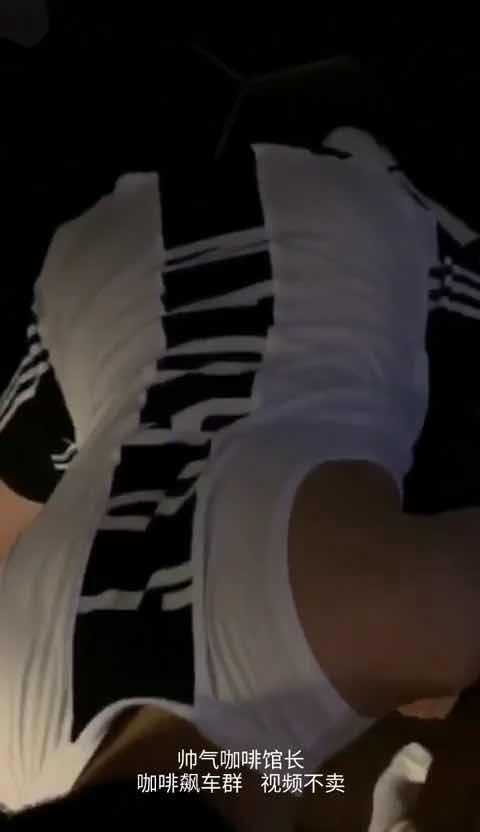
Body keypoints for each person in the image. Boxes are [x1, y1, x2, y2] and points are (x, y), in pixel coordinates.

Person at [1, 124, 480, 831]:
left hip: (327, 216)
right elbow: (188, 773)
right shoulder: (10, 753)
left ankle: (372, 164)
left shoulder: (417, 620)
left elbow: (235, 774)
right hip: (102, 260)